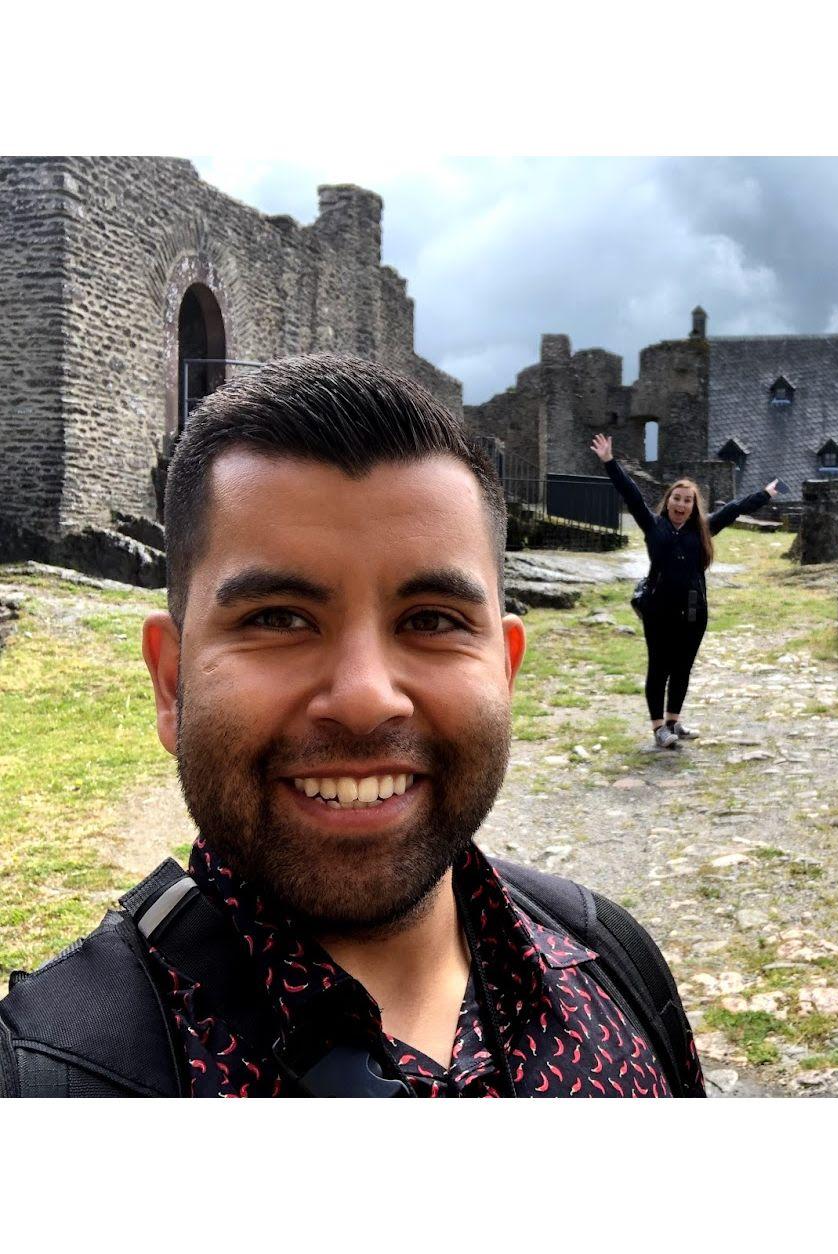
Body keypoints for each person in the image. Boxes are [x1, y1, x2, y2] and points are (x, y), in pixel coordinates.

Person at [0, 355, 704, 1098]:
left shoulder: (616, 965)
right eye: (278, 619)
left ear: (504, 669)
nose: (366, 698)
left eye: (431, 620)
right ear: (172, 682)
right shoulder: (46, 1080)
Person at [591, 434, 778, 748]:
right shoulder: (654, 526)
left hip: (693, 611)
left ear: (693, 507)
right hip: (658, 609)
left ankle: (674, 722)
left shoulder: (703, 529)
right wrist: (609, 461)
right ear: (669, 502)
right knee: (659, 668)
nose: (681, 504)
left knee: (682, 667)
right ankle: (658, 728)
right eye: (676, 498)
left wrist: (765, 494)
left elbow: (734, 509)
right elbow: (631, 493)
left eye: (687, 501)